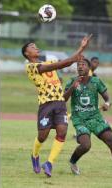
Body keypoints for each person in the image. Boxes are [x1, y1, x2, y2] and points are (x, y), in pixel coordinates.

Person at [21, 34, 92, 177]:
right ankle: (34, 155)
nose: (36, 47)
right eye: (32, 47)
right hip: (46, 104)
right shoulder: (30, 66)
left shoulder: (49, 60)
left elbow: (65, 63)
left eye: (36, 46)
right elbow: (58, 65)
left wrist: (81, 48)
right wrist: (74, 56)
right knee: (42, 136)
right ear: (26, 53)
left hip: (60, 103)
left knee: (62, 133)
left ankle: (49, 163)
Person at [63, 59, 112, 179]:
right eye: (78, 65)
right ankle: (73, 161)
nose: (80, 67)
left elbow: (108, 99)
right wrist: (73, 87)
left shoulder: (96, 81)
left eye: (83, 65)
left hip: (95, 117)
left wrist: (107, 104)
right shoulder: (72, 81)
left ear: (89, 68)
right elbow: (64, 99)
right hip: (80, 119)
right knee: (85, 146)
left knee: (111, 140)